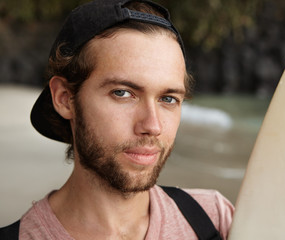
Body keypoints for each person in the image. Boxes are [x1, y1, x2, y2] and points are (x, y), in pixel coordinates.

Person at [0, 0, 234, 239]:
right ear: (64, 98)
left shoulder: (215, 220)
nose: (152, 126)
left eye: (168, 99)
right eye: (122, 93)